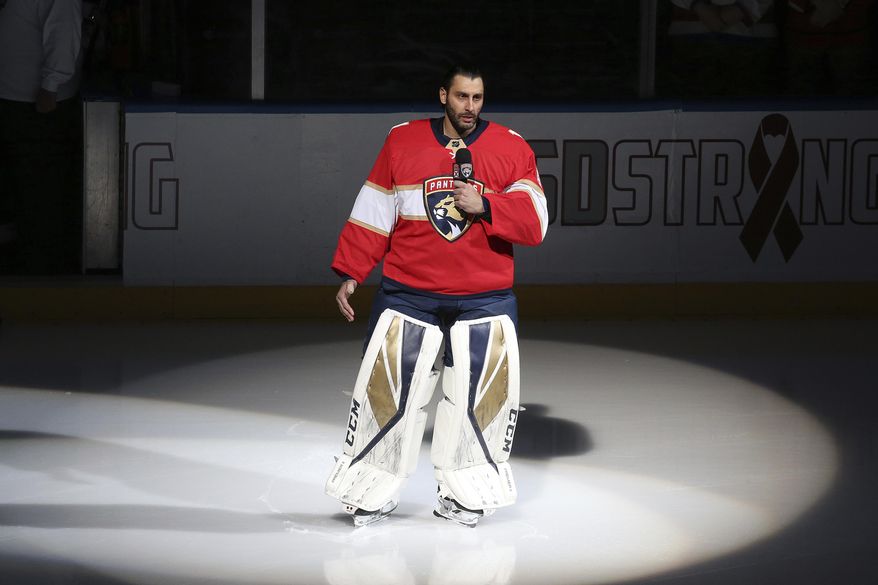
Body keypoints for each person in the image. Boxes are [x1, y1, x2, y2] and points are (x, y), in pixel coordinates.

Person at [324, 64, 548, 527]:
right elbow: (375, 209)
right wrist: (351, 270)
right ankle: (370, 490)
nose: (470, 107)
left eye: (478, 98)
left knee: (480, 399)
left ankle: (466, 494)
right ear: (443, 95)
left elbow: (536, 221)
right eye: (462, 97)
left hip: (485, 295)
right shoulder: (401, 141)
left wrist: (485, 204)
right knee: (387, 392)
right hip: (408, 292)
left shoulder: (512, 146)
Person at [0, 0, 83, 274]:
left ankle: (42, 263)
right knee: (18, 184)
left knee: (40, 188)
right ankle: (23, 252)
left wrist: (51, 86)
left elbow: (63, 32)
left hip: (39, 106)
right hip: (12, 100)